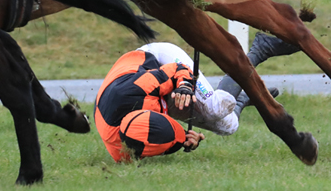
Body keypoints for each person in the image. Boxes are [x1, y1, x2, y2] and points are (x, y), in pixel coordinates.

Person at [94, 35, 299, 162]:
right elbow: (152, 141)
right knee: (228, 126)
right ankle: (242, 98)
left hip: (160, 61)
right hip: (154, 95)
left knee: (216, 109)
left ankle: (259, 49)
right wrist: (184, 140)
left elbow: (178, 69)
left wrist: (184, 86)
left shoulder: (134, 90)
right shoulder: (121, 153)